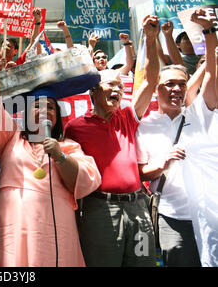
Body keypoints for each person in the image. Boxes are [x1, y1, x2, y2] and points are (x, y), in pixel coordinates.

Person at [0, 47, 101, 267]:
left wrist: (59, 155)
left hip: (56, 232)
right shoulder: (11, 139)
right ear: (25, 113)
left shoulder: (69, 147)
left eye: (51, 107)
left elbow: (83, 181)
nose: (46, 110)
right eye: (38, 106)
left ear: (57, 116)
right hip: (16, 229)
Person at [64, 15, 161, 267]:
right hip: (100, 213)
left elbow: (150, 81)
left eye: (120, 86)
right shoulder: (75, 128)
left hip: (138, 209)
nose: (118, 90)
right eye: (111, 85)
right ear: (93, 91)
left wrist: (150, 39)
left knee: (143, 263)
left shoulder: (128, 116)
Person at [136, 9, 217, 267]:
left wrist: (208, 31)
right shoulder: (145, 126)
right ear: (155, 87)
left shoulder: (199, 112)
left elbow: (211, 72)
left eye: (182, 84)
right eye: (169, 84)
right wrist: (162, 163)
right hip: (171, 218)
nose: (177, 89)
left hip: (210, 214)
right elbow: (141, 173)